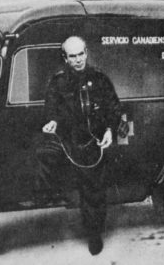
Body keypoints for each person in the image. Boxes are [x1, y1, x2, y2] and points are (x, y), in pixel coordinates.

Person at [36, 36, 121, 255]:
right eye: (72, 56)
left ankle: (95, 235)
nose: (78, 60)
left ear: (86, 53)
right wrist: (52, 122)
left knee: (95, 191)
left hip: (95, 142)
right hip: (70, 143)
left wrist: (110, 130)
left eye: (81, 54)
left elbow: (113, 108)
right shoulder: (58, 82)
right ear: (65, 58)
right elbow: (51, 110)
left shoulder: (99, 79)